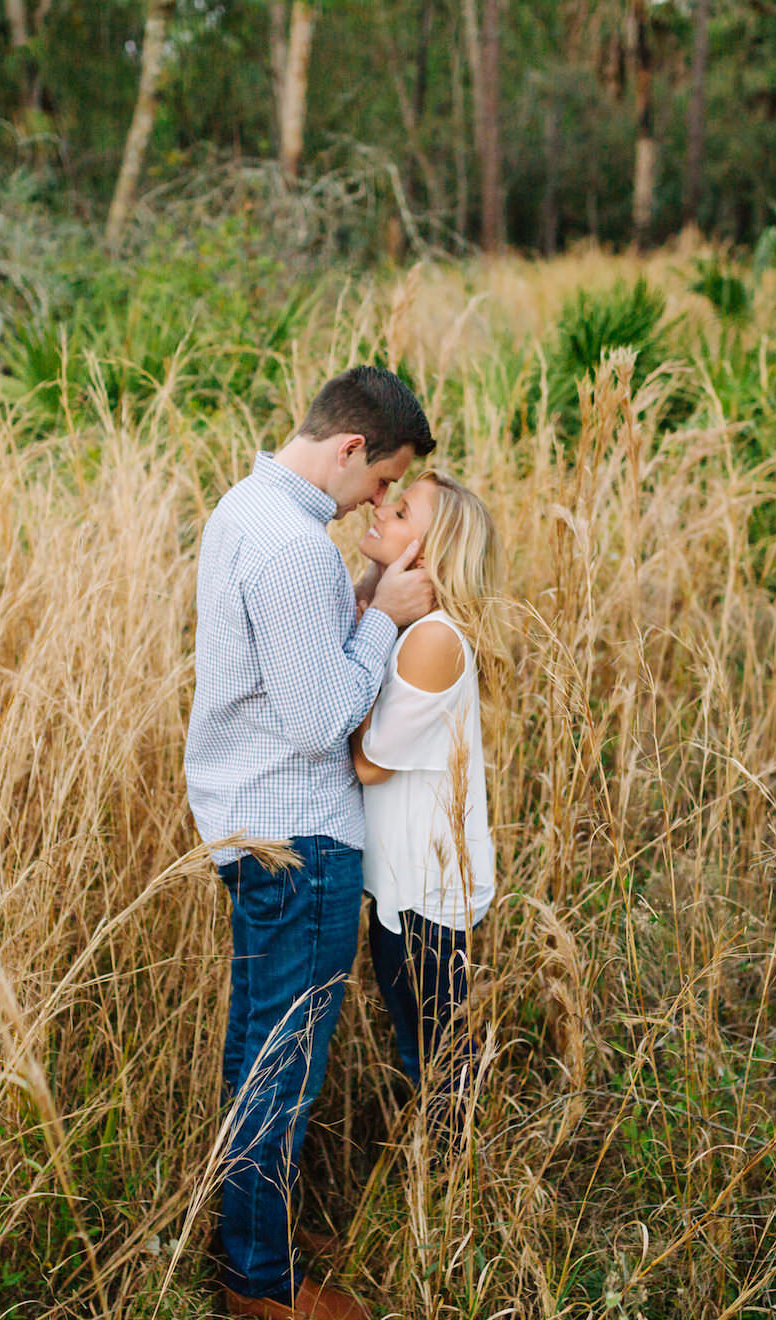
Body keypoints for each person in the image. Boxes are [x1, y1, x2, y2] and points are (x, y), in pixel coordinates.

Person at [186, 365, 436, 1320]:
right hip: (299, 839)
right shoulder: (292, 546)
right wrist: (382, 620)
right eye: (382, 481)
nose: (377, 501)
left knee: (261, 1049)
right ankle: (263, 1284)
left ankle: (255, 1234)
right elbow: (318, 716)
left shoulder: (246, 510)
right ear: (349, 450)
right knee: (282, 1063)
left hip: (262, 828)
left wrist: (362, 597)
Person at [349, 472, 499, 1145]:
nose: (381, 505)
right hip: (401, 887)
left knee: (440, 1064)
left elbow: (366, 762)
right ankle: (441, 1182)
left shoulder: (433, 640)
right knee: (424, 1051)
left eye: (402, 509)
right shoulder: (414, 630)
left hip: (427, 895)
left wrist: (363, 636)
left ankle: (450, 1193)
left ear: (430, 553)